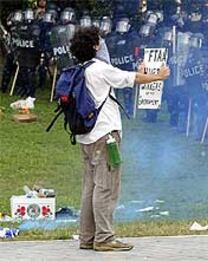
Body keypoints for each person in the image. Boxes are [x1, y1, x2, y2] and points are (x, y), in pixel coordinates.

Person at [69, 27, 170, 251]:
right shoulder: (100, 69)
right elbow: (130, 79)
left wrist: (140, 71)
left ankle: (87, 237)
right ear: (95, 46)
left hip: (86, 137)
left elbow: (126, 77)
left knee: (90, 187)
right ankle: (104, 238)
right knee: (106, 187)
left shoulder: (81, 69)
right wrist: (158, 76)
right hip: (105, 136)